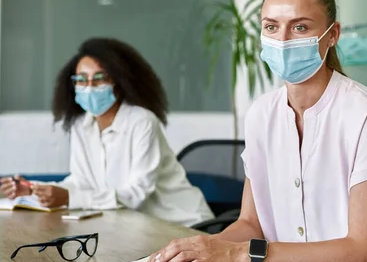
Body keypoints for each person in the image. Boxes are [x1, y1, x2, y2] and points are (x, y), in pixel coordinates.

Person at [142, 0, 367, 262]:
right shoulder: (262, 114)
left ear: (332, 34)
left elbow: (360, 255)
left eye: (299, 27)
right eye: (271, 27)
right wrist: (203, 251)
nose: (282, 40)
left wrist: (242, 254)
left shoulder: (363, 112)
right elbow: (251, 223)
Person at [0, 38, 214, 227]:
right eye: (81, 80)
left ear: (118, 83)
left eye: (99, 78)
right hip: (133, 227)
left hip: (184, 225)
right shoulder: (81, 125)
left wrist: (69, 198)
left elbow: (136, 195)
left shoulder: (142, 122)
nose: (89, 87)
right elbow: (81, 182)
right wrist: (35, 190)